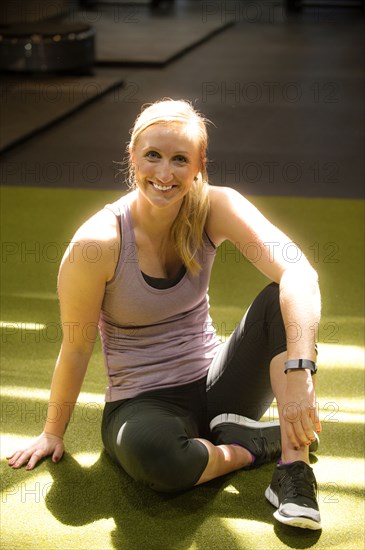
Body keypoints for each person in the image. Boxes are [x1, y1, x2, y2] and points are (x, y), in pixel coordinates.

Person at [7, 99, 322, 530]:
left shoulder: (216, 206)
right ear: (132, 155)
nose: (164, 172)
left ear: (199, 164)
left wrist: (301, 370)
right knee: (155, 460)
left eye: (180, 159)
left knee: (282, 299)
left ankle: (293, 467)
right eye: (153, 155)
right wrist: (52, 432)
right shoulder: (96, 243)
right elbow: (77, 346)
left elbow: (299, 270)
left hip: (218, 382)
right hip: (142, 401)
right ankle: (249, 445)